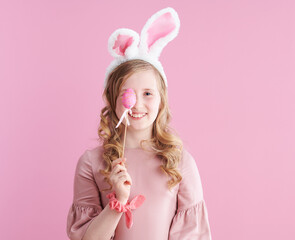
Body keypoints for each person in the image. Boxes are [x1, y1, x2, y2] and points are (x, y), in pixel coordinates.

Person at [66, 7, 212, 240]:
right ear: (113, 99)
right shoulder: (91, 163)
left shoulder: (179, 162)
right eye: (128, 94)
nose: (137, 105)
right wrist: (118, 202)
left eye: (147, 94)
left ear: (161, 100)